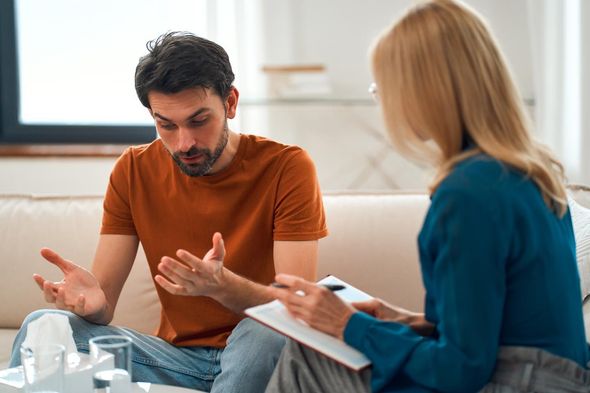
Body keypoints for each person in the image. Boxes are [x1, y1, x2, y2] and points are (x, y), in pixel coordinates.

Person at [264, 1, 590, 392]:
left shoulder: (467, 195)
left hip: (513, 383)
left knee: (307, 355)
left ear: (424, 92)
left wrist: (347, 324)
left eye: (382, 87)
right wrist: (400, 320)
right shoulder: (533, 174)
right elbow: (501, 324)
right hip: (556, 380)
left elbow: (461, 369)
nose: (383, 102)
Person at [9, 32, 327, 393]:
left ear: (231, 103)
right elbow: (104, 306)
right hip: (174, 359)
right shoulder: (132, 170)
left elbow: (295, 306)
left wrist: (223, 287)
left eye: (198, 120)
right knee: (45, 325)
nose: (184, 143)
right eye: (166, 125)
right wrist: (93, 305)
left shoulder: (287, 167)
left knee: (268, 329)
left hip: (259, 349)